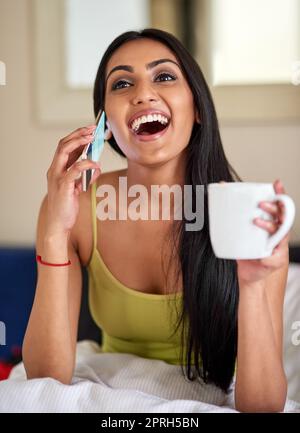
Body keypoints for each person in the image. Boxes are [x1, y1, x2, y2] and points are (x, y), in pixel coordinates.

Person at [22, 28, 290, 412]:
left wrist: (251, 284)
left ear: (197, 107)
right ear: (105, 124)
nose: (142, 93)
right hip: (111, 396)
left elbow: (263, 407)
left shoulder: (246, 214)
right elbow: (46, 381)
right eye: (122, 83)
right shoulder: (73, 206)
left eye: (163, 76)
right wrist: (54, 233)